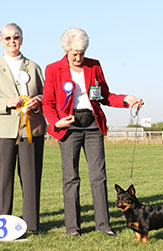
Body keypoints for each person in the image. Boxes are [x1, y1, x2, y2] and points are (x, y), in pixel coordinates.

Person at [42, 28, 144, 236]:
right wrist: (56, 122)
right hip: (68, 130)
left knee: (99, 176)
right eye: (74, 54)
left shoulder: (94, 65)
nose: (79, 58)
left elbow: (104, 96)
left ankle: (103, 225)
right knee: (71, 178)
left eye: (82, 52)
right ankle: (72, 228)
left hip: (93, 128)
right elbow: (48, 103)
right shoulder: (53, 69)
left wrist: (126, 99)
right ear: (66, 50)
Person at [0, 23, 46, 232]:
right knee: (1, 180)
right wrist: (6, 102)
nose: (12, 41)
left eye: (15, 37)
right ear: (1, 41)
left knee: (31, 179)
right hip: (1, 131)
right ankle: (1, 224)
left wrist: (37, 102)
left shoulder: (33, 67)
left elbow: (45, 95)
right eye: (7, 38)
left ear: (22, 39)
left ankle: (32, 225)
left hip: (31, 131)